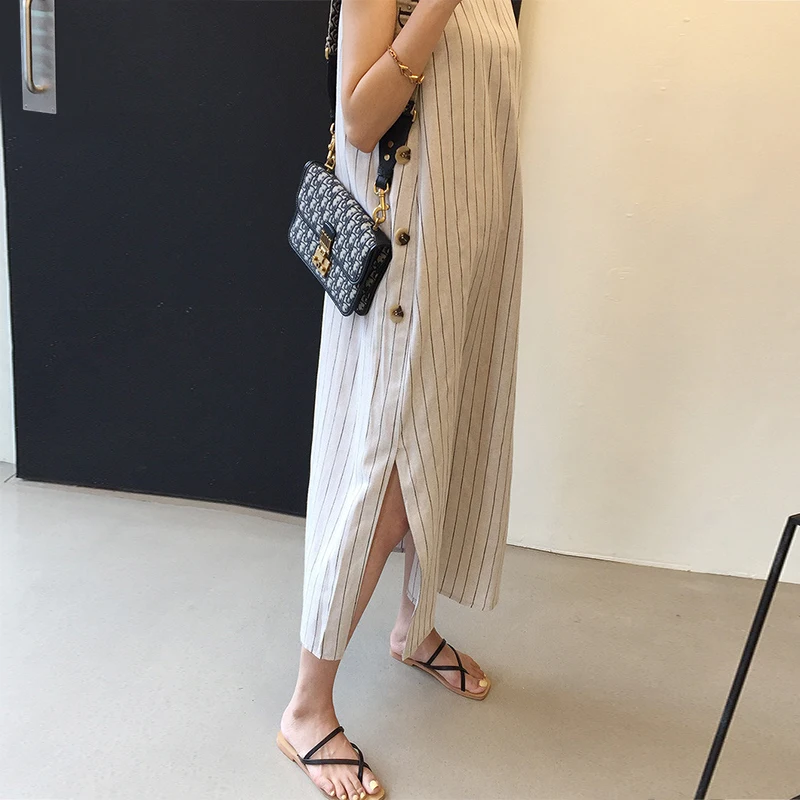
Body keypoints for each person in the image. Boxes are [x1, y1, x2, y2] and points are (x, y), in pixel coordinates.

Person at [278, 0, 523, 797]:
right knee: (387, 476)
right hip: (407, 260)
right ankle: (306, 708)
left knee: (447, 435)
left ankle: (415, 629)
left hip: (469, 245)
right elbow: (359, 119)